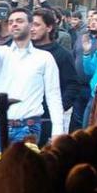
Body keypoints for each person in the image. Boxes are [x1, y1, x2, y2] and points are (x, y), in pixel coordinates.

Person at [0, 6, 64, 152]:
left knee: (23, 173)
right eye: (11, 21)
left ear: (31, 25)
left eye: (19, 21)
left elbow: (53, 96)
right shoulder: (0, 53)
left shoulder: (44, 58)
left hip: (28, 128)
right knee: (0, 172)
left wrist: (58, 130)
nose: (14, 24)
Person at [31, 8, 80, 143]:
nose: (32, 29)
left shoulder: (62, 54)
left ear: (49, 27)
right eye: (30, 24)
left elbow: (73, 85)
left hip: (47, 120)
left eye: (36, 25)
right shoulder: (25, 51)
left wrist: (57, 109)